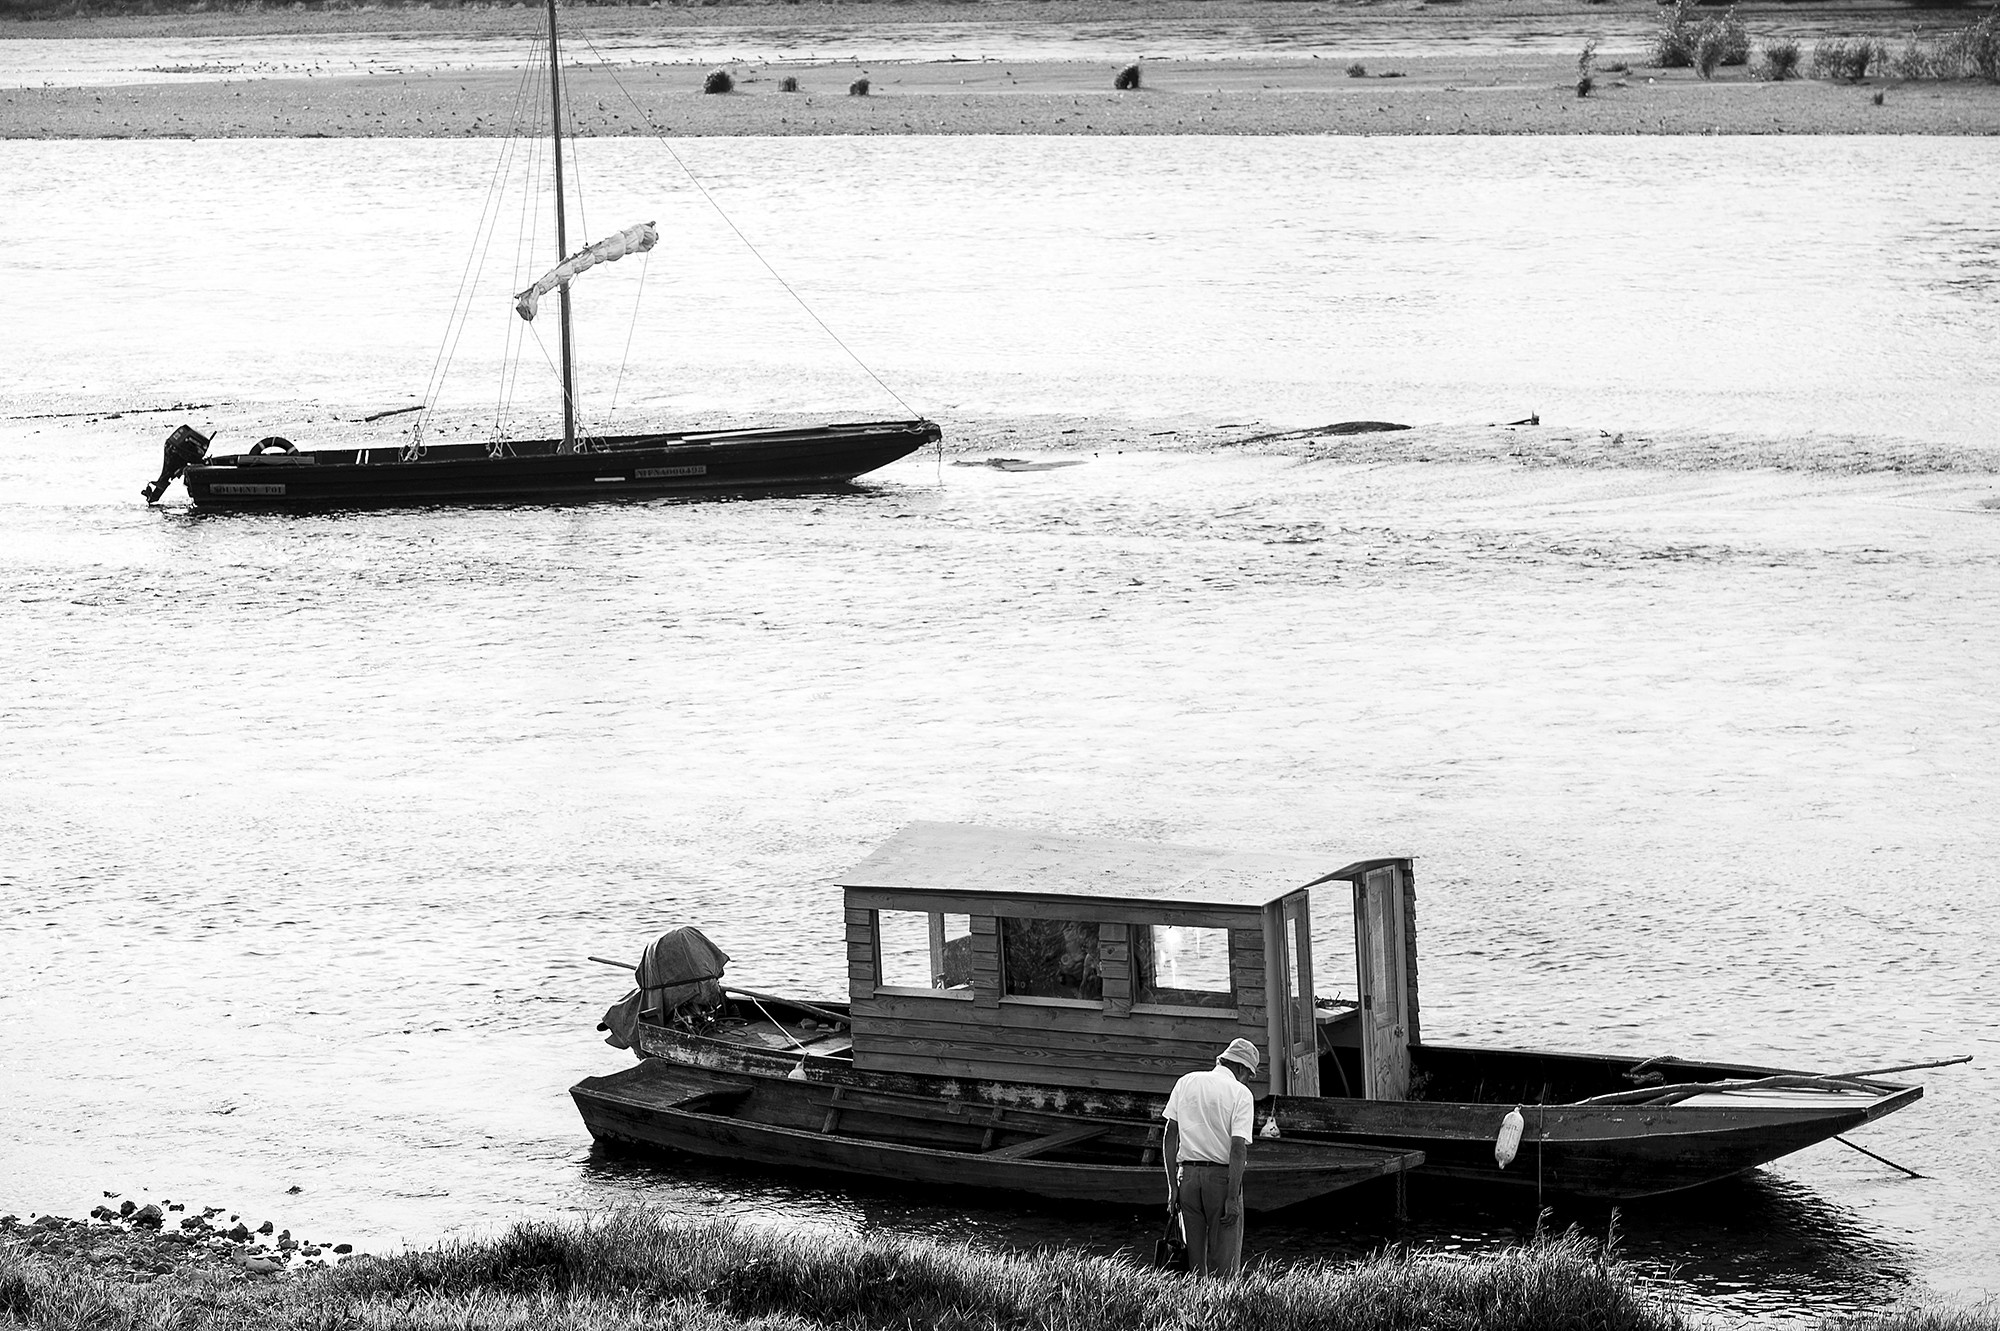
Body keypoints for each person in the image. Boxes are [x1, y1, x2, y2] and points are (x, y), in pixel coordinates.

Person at [1161, 1037, 1258, 1278]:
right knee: (1224, 1265)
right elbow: (1237, 1149)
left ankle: (1196, 1309)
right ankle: (1220, 1311)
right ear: (1240, 1068)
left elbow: (1169, 1135)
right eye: (1250, 1074)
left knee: (1194, 1264)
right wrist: (1233, 1198)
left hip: (1188, 1178)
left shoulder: (1186, 1082)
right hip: (1221, 1180)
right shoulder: (1241, 1094)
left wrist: (1173, 1186)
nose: (1249, 1080)